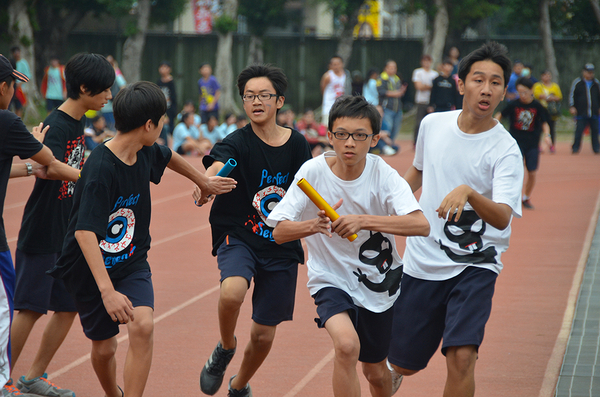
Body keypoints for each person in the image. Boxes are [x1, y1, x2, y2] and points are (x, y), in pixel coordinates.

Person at [47, 81, 236, 397]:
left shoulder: (144, 150)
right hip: (90, 270)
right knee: (105, 349)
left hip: (132, 262)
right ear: (148, 124)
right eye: (161, 123)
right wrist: (107, 292)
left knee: (144, 325)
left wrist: (203, 181)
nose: (162, 130)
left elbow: (169, 156)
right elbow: (83, 233)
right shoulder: (100, 168)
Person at [267, 95, 429, 397]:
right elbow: (279, 232)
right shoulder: (312, 173)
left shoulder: (384, 175)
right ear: (329, 136)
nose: (349, 143)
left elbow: (420, 224)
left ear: (375, 139)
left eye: (359, 135)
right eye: (341, 134)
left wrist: (363, 221)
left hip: (380, 284)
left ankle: (386, 378)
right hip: (331, 278)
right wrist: (312, 225)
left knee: (375, 372)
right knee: (346, 346)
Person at [388, 42, 524, 397]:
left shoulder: (506, 149)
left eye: (496, 83)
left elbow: (503, 218)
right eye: (479, 80)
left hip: (476, 264)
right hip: (424, 261)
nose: (487, 89)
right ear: (461, 84)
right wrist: (385, 209)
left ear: (503, 92)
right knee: (404, 363)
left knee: (462, 357)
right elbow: (416, 174)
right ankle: (395, 369)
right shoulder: (432, 125)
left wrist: (470, 193)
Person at [194, 64, 311, 397]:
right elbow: (216, 166)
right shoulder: (236, 142)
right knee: (232, 291)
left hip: (280, 241)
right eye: (249, 96)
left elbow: (311, 185)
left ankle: (239, 384)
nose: (256, 101)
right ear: (242, 101)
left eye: (264, 95)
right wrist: (207, 183)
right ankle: (225, 346)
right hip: (239, 233)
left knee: (263, 336)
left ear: (279, 101)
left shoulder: (297, 145)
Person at [11, 53, 116, 397]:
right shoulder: (56, 124)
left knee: (68, 305)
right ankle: (1, 376)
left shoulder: (77, 124)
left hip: (67, 230)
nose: (108, 97)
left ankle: (33, 378)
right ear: (85, 88)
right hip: (42, 228)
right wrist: (90, 179)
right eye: (104, 90)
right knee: (29, 308)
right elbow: (50, 166)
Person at [0, 54, 80, 397]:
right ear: (3, 87)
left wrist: (34, 165)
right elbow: (51, 162)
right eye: (13, 86)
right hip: (36, 233)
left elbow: (29, 166)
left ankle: (23, 376)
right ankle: (4, 381)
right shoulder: (6, 121)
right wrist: (103, 180)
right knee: (9, 309)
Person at [495, 77, 550, 210]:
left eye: (525, 92)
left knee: (531, 172)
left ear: (531, 91)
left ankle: (526, 197)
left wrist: (547, 136)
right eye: (520, 92)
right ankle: (511, 197)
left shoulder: (537, 106)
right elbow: (500, 114)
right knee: (514, 172)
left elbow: (544, 123)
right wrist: (495, 127)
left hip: (532, 144)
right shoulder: (514, 104)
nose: (522, 95)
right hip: (515, 144)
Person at [569, 63, 600, 154]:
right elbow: (572, 95)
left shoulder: (596, 83)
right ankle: (575, 148)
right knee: (579, 132)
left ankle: (596, 148)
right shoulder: (577, 83)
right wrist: (572, 106)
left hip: (593, 112)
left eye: (592, 72)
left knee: (595, 132)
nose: (590, 74)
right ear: (584, 72)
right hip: (581, 112)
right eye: (588, 72)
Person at [377, 60, 406, 147]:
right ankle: (384, 145)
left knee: (396, 128)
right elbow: (381, 91)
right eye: (390, 68)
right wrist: (396, 93)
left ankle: (391, 144)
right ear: (385, 68)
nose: (392, 70)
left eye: (394, 68)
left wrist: (401, 92)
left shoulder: (397, 79)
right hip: (387, 108)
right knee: (388, 127)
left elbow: (400, 92)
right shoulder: (381, 79)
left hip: (397, 107)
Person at [533, 70, 563, 153]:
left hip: (551, 111)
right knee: (539, 128)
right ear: (541, 76)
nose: (547, 77)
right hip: (541, 110)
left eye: (548, 75)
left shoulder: (555, 86)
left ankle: (551, 145)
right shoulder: (538, 85)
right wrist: (549, 97)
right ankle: (538, 145)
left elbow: (559, 96)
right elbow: (537, 95)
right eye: (545, 75)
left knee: (552, 128)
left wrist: (548, 98)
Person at [412, 54, 438, 144]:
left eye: (428, 61)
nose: (426, 63)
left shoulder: (435, 74)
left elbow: (435, 88)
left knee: (431, 123)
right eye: (424, 61)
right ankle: (416, 141)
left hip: (431, 101)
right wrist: (429, 86)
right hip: (421, 101)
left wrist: (425, 86)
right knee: (419, 122)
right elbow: (419, 86)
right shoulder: (418, 72)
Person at [320, 55, 351, 124]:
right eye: (334, 65)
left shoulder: (346, 75)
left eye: (338, 64)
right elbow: (323, 89)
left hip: (342, 106)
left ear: (342, 64)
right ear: (330, 65)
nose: (336, 66)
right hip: (329, 106)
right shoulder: (327, 76)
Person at [102, 55, 127, 130]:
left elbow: (123, 86)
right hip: (105, 106)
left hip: (112, 106)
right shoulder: (104, 74)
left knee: (112, 128)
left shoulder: (115, 74)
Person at [156, 61, 177, 145]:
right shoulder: (159, 81)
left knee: (169, 129)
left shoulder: (171, 82)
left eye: (165, 67)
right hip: (161, 109)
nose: (163, 69)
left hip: (170, 109)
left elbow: (174, 98)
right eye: (161, 67)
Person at [9, 46, 30, 118]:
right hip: (11, 86)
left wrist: (20, 83)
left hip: (20, 88)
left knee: (18, 106)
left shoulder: (23, 63)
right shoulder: (10, 62)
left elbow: (27, 75)